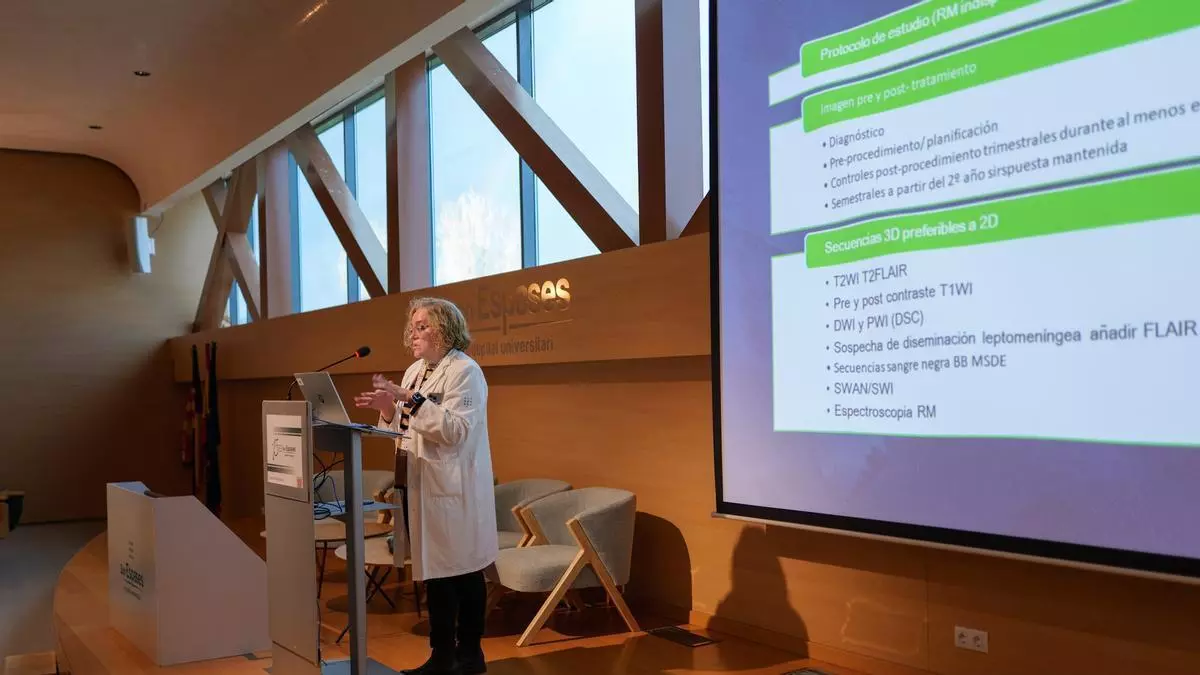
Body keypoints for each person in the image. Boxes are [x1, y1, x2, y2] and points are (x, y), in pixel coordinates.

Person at [354, 297, 498, 675]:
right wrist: (388, 409)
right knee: (435, 574)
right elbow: (405, 428)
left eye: (422, 326)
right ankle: (442, 655)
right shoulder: (414, 371)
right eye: (412, 327)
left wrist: (411, 400)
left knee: (463, 571)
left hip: (452, 488)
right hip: (418, 483)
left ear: (445, 329)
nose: (414, 334)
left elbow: (455, 431)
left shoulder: (466, 372)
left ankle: (470, 655)